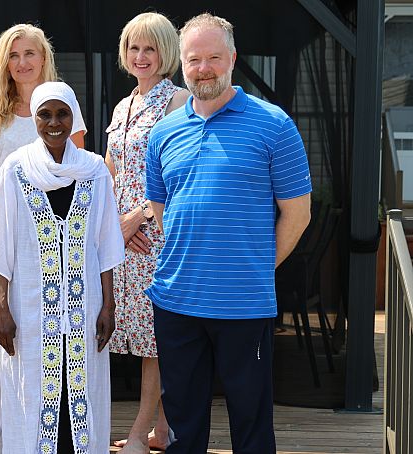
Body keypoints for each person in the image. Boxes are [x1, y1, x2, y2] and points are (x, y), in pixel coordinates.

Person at [145, 14, 312, 453]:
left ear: (233, 58)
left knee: (251, 422)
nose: (203, 68)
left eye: (214, 58)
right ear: (181, 63)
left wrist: (254, 267)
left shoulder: (274, 125)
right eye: (193, 59)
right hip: (176, 300)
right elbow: (161, 210)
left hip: (244, 303)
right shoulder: (163, 132)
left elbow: (298, 214)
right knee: (182, 424)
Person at [0, 82, 125, 454]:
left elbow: (105, 244)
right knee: (31, 385)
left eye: (62, 114)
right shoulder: (16, 168)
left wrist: (108, 305)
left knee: (81, 389)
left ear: (74, 118)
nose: (54, 123)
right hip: (28, 308)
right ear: (35, 119)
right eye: (45, 114)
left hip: (84, 308)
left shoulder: (93, 171)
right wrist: (1, 307)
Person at [104, 12, 188, 454]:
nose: (141, 56)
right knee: (146, 335)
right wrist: (113, 224)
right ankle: (163, 429)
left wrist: (137, 218)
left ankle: (140, 432)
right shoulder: (123, 105)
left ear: (166, 52)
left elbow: (181, 172)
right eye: (134, 47)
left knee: (157, 337)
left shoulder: (178, 100)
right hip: (123, 238)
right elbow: (111, 170)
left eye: (150, 48)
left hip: (157, 234)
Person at [0, 24, 87, 207]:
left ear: (43, 58)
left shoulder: (64, 102)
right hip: (9, 211)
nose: (22, 63)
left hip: (56, 210)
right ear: (6, 64)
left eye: (29, 53)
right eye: (13, 56)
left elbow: (77, 166)